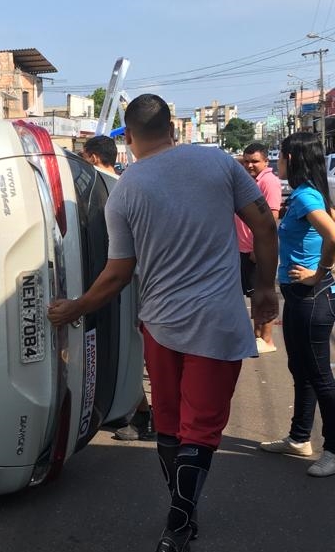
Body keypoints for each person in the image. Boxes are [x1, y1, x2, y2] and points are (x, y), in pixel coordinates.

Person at [47, 94, 278, 552]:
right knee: (201, 431)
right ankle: (178, 524)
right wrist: (266, 289)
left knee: (171, 427)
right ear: (173, 128)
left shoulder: (126, 191)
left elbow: (117, 274)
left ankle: (180, 519)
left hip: (161, 325)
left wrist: (75, 307)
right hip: (217, 322)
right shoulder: (219, 165)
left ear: (128, 137)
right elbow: (265, 227)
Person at [259, 131, 335, 477]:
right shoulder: (310, 194)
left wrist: (320, 272)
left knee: (320, 376)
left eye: (282, 156)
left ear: (294, 158)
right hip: (298, 296)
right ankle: (299, 437)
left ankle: (332, 449)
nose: (278, 162)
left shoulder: (306, 196)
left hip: (311, 297)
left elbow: (333, 235)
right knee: (301, 370)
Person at [83, 135, 156, 441]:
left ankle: (144, 416)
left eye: (85, 157)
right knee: (130, 349)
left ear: (95, 158)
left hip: (119, 286)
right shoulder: (124, 186)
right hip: (134, 284)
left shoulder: (101, 189)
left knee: (127, 349)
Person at [234, 142, 282, 354]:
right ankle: (257, 336)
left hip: (256, 248)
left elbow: (272, 216)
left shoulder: (268, 181)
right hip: (243, 248)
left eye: (255, 161)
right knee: (253, 294)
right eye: (247, 161)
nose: (250, 165)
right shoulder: (250, 179)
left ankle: (267, 338)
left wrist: (258, 247)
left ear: (266, 161)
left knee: (262, 292)